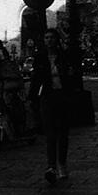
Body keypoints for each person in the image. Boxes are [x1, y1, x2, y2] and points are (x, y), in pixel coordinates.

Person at [31, 28, 75, 183]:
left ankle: (62, 163)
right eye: (46, 37)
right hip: (47, 96)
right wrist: (32, 98)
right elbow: (36, 79)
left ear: (57, 40)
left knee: (63, 133)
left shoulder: (64, 57)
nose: (49, 40)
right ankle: (51, 166)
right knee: (50, 133)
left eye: (51, 37)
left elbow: (71, 77)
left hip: (62, 96)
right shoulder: (40, 57)